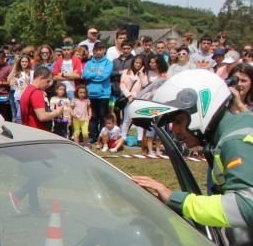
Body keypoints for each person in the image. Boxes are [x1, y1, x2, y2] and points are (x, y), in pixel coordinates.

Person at [132, 70, 253, 235]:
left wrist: (176, 199)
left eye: (177, 121)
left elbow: (246, 206)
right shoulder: (234, 130)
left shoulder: (235, 142)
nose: (174, 131)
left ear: (200, 110)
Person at [82, 42, 114, 142]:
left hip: (103, 94)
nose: (98, 52)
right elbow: (84, 75)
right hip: (91, 93)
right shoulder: (89, 63)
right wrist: (95, 75)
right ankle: (92, 136)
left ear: (104, 50)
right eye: (96, 50)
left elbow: (104, 76)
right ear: (94, 51)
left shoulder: (108, 62)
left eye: (101, 49)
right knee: (93, 116)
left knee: (103, 116)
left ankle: (102, 137)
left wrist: (92, 75)